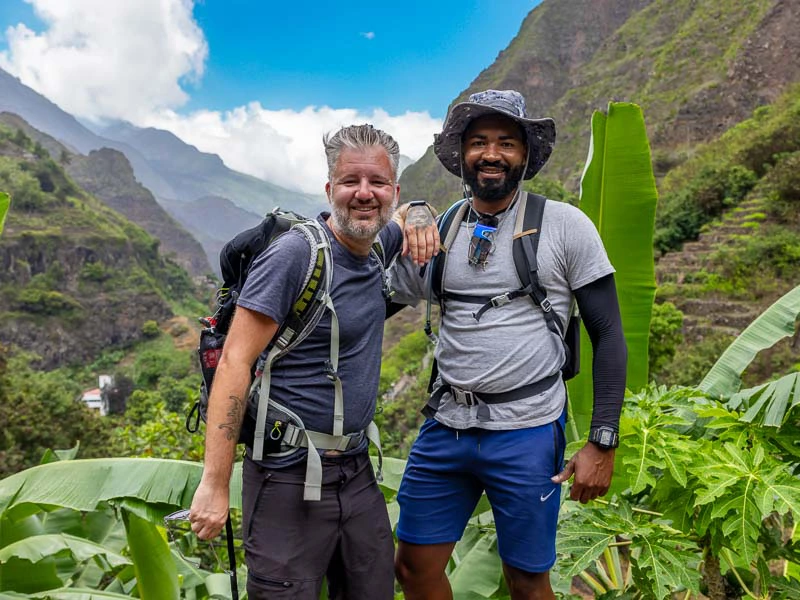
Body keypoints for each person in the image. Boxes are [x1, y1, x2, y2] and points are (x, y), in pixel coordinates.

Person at [390, 90, 628, 600]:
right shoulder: (442, 228)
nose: (491, 153)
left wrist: (602, 441)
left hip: (527, 430)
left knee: (527, 580)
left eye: (506, 142)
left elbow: (608, 332)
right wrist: (403, 217)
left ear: (525, 154)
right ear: (462, 154)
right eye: (478, 142)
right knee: (412, 567)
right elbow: (379, 298)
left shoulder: (565, 226)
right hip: (447, 424)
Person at [188, 123, 437, 600]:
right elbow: (235, 362)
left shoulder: (376, 244)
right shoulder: (295, 256)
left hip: (356, 472)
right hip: (286, 476)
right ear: (329, 189)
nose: (364, 193)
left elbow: (406, 215)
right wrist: (214, 484)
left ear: (393, 190)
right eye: (349, 181)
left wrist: (421, 212)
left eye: (377, 182)